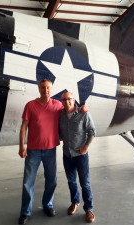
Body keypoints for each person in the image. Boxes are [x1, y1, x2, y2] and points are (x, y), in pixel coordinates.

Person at [18, 79, 87, 224]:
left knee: (52, 180)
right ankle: (25, 212)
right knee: (27, 182)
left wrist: (82, 108)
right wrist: (21, 146)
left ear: (51, 89)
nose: (46, 90)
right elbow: (24, 126)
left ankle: (47, 205)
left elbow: (70, 107)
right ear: (39, 89)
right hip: (33, 150)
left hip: (50, 150)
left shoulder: (57, 105)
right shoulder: (30, 105)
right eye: (43, 88)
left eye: (48, 88)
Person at [59, 91, 96, 223]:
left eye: (69, 99)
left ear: (74, 100)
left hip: (80, 156)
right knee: (71, 181)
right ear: (61, 101)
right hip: (67, 155)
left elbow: (92, 131)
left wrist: (86, 146)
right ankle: (75, 203)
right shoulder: (61, 114)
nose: (67, 102)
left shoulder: (83, 114)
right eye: (64, 100)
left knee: (85, 183)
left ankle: (89, 209)